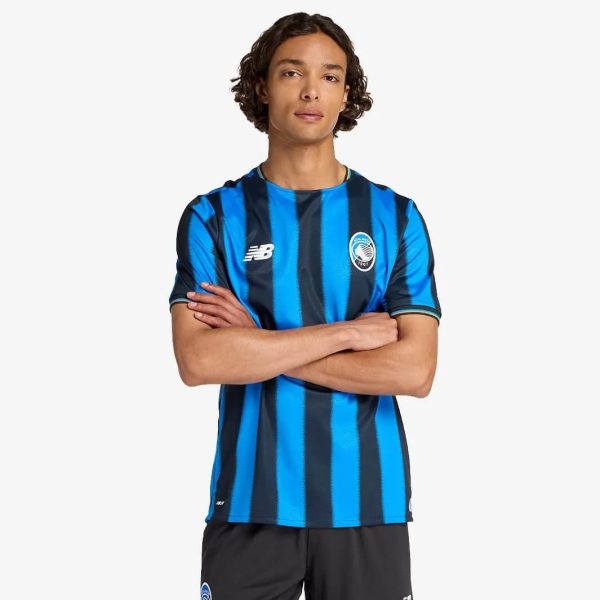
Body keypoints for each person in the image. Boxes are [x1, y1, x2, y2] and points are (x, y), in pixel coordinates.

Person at [169, 12, 441, 600]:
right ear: (263, 86)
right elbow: (199, 361)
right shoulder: (212, 217)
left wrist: (257, 342)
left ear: (347, 94)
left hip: (368, 506)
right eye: (293, 72)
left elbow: (414, 371)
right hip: (250, 504)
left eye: (331, 76)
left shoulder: (396, 217)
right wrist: (347, 333)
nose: (312, 90)